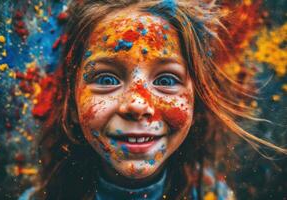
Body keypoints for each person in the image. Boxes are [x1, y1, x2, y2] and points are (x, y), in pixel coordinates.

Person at [20, 0, 287, 199]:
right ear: (72, 95)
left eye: (166, 80)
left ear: (197, 97)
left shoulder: (213, 195)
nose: (138, 105)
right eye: (106, 79)